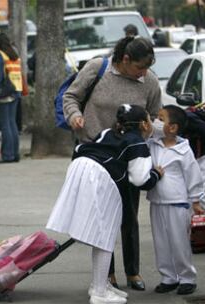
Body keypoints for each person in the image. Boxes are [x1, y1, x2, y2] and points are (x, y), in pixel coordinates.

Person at [63, 36, 162, 290]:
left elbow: (152, 116)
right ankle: (107, 274)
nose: (144, 72)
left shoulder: (149, 81)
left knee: (128, 216)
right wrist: (74, 115)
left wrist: (148, 132)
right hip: (96, 155)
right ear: (125, 60)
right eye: (140, 67)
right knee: (101, 218)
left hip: (128, 157)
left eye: (147, 67)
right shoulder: (99, 68)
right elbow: (71, 96)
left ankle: (133, 272)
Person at [47, 104, 163, 304]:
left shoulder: (108, 132)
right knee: (104, 235)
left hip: (80, 166)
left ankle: (100, 284)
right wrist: (157, 174)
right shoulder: (137, 144)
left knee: (100, 233)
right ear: (144, 124)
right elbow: (140, 180)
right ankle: (100, 292)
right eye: (150, 120)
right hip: (99, 176)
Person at [147, 105, 205, 295]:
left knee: (179, 242)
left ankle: (187, 277)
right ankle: (168, 277)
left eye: (161, 119)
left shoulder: (183, 150)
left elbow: (193, 176)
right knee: (161, 242)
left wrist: (195, 201)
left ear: (173, 127)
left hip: (178, 203)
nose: (156, 121)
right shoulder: (152, 144)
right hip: (157, 202)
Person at [0, 33, 22, 164]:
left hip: (3, 92)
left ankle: (7, 155)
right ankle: (15, 154)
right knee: (12, 123)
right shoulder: (14, 54)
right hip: (15, 91)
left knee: (5, 125)